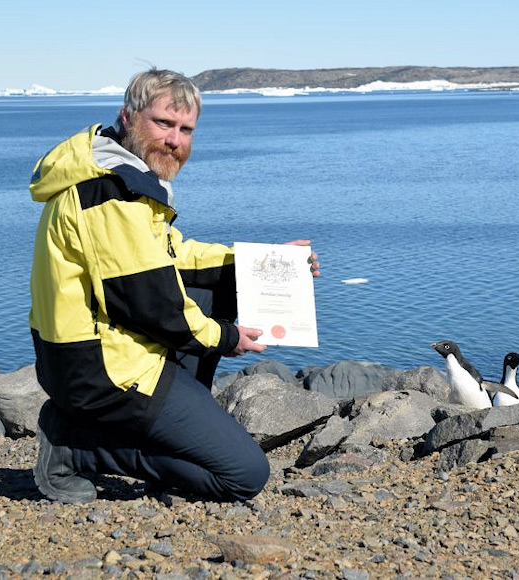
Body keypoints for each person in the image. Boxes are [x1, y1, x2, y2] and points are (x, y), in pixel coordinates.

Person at [28, 68, 319, 504]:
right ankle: (77, 448)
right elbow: (153, 304)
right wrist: (225, 337)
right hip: (98, 368)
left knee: (226, 283)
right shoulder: (112, 192)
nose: (174, 140)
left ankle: (165, 429)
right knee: (244, 475)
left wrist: (265, 263)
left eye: (186, 130)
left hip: (99, 351)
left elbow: (172, 255)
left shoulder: (123, 173)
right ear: (128, 116)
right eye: (163, 123)